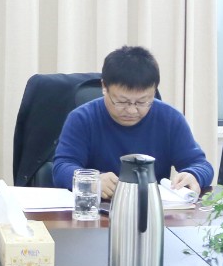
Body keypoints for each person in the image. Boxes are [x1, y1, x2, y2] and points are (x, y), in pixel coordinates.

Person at [51, 46, 213, 197]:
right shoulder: (82, 118)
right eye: (122, 101)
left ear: (154, 91)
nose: (132, 110)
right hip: (97, 208)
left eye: (142, 102)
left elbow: (200, 165)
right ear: (104, 87)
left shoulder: (170, 119)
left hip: (150, 208)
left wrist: (193, 175)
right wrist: (91, 180)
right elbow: (62, 167)